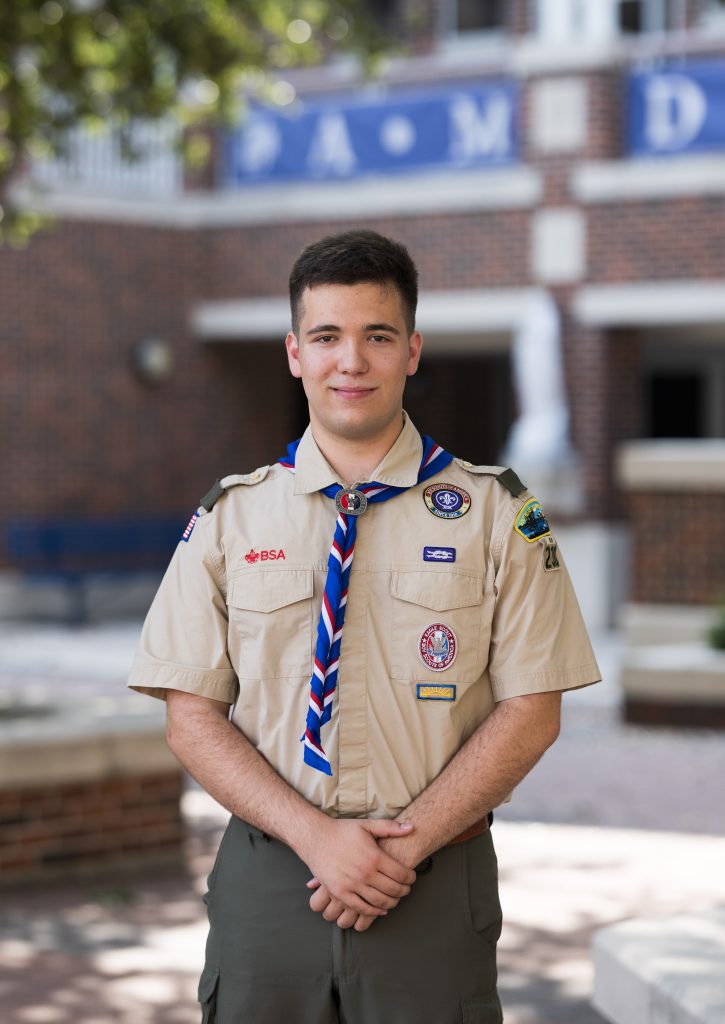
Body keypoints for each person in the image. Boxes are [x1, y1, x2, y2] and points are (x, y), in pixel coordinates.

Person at [128, 229, 601, 1024]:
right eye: (326, 337)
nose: (351, 360)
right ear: (293, 353)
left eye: (376, 336)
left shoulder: (498, 515)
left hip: (432, 883)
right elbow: (191, 715)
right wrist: (318, 838)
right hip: (272, 880)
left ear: (411, 350)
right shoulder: (228, 519)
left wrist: (403, 847)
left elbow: (532, 711)